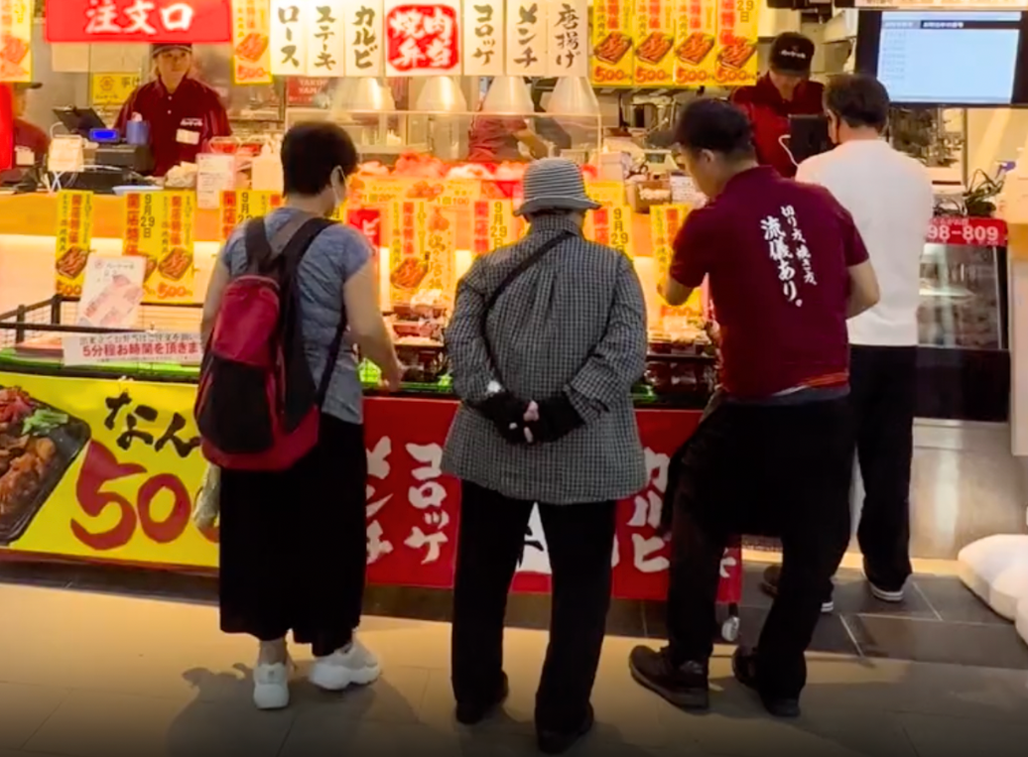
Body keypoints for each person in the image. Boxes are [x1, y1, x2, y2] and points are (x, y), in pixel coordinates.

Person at [628, 99, 879, 719]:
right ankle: (780, 676)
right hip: (829, 402)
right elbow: (868, 292)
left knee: (698, 518)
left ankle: (688, 664)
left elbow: (673, 294)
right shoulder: (820, 201)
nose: (692, 174)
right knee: (813, 541)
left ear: (706, 156)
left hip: (754, 406)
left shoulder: (712, 219)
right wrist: (811, 323)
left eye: (688, 163)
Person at [442, 158, 647, 754]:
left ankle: (474, 693)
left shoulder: (487, 267)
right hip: (585, 452)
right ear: (580, 212)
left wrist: (500, 404)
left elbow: (460, 343)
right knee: (581, 587)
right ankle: (560, 716)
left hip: (493, 447)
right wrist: (563, 412)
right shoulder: (614, 268)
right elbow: (626, 351)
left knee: (481, 577)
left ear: (527, 212)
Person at [201, 122, 403, 711]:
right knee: (327, 530)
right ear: (336, 176)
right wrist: (391, 370)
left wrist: (239, 385)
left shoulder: (242, 236)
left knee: (259, 529)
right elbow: (366, 327)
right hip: (324, 412)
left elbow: (210, 319)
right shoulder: (346, 243)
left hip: (250, 412)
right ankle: (334, 653)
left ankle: (269, 663)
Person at [762, 74, 933, 609]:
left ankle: (815, 579)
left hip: (838, 337)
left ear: (832, 119)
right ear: (885, 118)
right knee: (890, 463)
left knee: (826, 464)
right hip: (901, 337)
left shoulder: (816, 170)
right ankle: (889, 572)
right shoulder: (918, 173)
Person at [115, 43, 231, 176]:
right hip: (148, 180)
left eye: (183, 55)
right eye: (168, 56)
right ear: (156, 60)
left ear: (190, 59)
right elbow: (119, 139)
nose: (177, 62)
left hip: (193, 181)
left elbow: (222, 143)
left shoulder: (208, 98)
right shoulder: (140, 97)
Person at [731, 32, 823, 177]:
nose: (786, 81)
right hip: (761, 180)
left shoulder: (818, 94)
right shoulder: (747, 94)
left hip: (810, 178)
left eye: (795, 76)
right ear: (770, 66)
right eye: (780, 73)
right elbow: (736, 145)